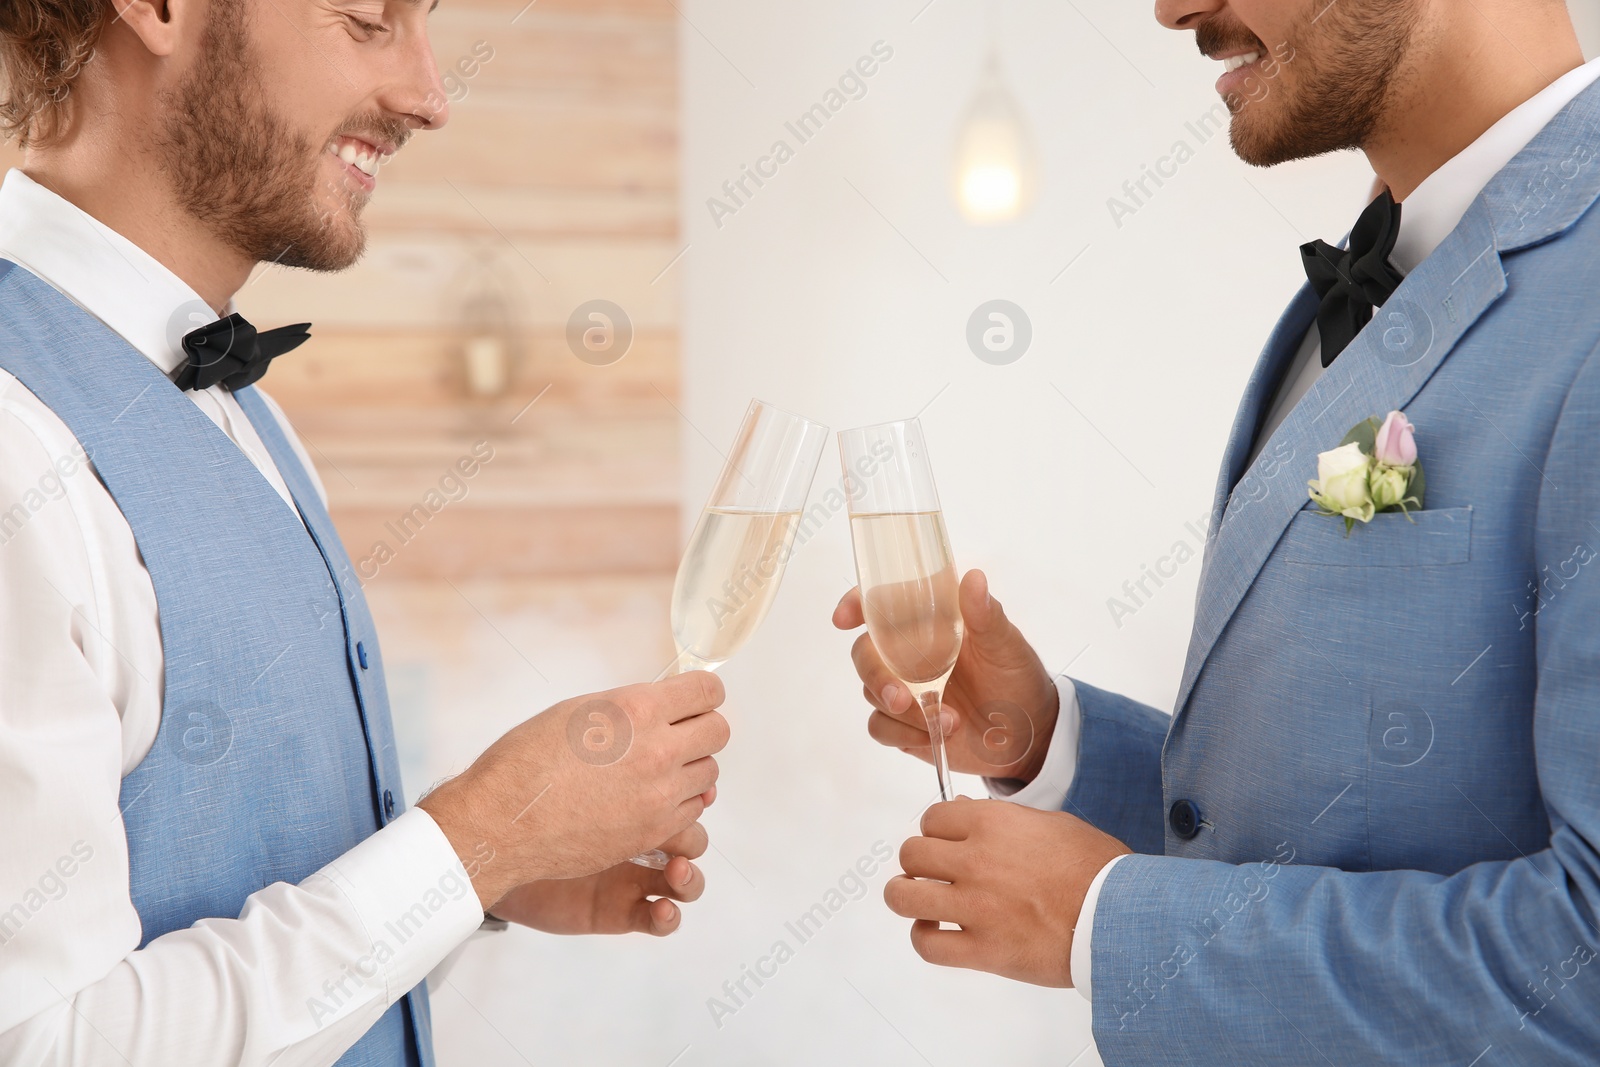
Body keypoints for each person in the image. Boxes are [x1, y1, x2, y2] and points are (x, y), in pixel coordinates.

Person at [838, 0, 1600, 1062]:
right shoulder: (1359, 274)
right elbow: (1325, 824)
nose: (1169, 7)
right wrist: (1049, 740)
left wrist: (1106, 926)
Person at [0, 0, 729, 1064]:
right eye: (368, 19)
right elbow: (44, 1041)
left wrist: (476, 881)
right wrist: (476, 838)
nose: (429, 97)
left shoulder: (250, 417)